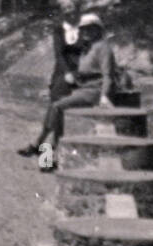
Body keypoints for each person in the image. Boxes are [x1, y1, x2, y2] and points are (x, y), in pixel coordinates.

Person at [33, 13, 117, 170]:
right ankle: (46, 154)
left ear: (98, 30)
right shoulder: (89, 47)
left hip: (95, 90)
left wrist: (105, 96)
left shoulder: (103, 48)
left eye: (89, 30)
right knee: (54, 105)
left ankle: (45, 152)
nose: (85, 33)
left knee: (57, 107)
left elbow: (108, 75)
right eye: (83, 30)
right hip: (83, 88)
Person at [18, 0, 84, 158]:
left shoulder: (85, 27)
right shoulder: (59, 28)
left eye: (71, 6)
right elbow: (59, 54)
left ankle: (39, 145)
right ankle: (48, 150)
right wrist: (68, 73)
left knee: (57, 109)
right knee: (57, 108)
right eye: (64, 8)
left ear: (77, 7)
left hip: (81, 71)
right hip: (63, 72)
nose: (68, 10)